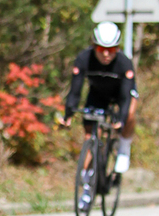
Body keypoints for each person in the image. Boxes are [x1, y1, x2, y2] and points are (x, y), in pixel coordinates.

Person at [56, 20, 138, 174]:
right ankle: (87, 177)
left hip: (121, 93)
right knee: (90, 135)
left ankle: (124, 148)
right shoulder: (83, 59)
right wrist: (68, 114)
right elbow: (75, 91)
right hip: (98, 93)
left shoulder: (124, 63)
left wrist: (121, 119)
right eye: (101, 49)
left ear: (117, 48)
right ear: (94, 46)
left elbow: (126, 97)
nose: (106, 54)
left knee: (129, 114)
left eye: (111, 49)